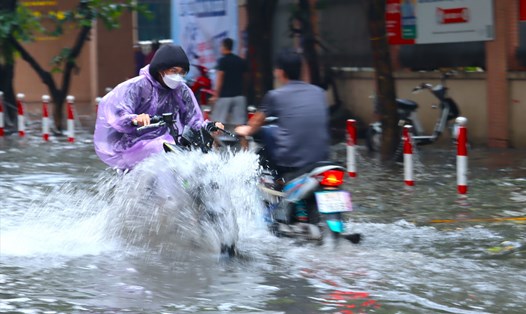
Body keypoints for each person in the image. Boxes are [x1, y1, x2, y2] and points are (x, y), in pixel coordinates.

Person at [94, 43, 223, 171]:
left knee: (199, 153)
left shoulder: (181, 90)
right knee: (165, 149)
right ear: (161, 70)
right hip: (131, 147)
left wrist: (209, 126)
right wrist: (135, 119)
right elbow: (118, 113)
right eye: (174, 71)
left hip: (165, 144)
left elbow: (194, 121)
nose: (178, 76)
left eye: (182, 73)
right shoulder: (137, 86)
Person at [235, 49, 330, 178]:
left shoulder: (275, 96)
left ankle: (266, 179)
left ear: (280, 72)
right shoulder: (319, 93)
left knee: (264, 132)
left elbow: (254, 126)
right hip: (321, 160)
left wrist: (242, 129)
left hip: (289, 163)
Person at [210, 38, 247, 129]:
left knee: (218, 123)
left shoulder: (223, 61)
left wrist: (216, 95)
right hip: (239, 96)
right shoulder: (240, 61)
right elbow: (245, 78)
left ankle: (216, 143)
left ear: (223, 47)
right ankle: (244, 143)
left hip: (224, 97)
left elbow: (220, 78)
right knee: (240, 125)